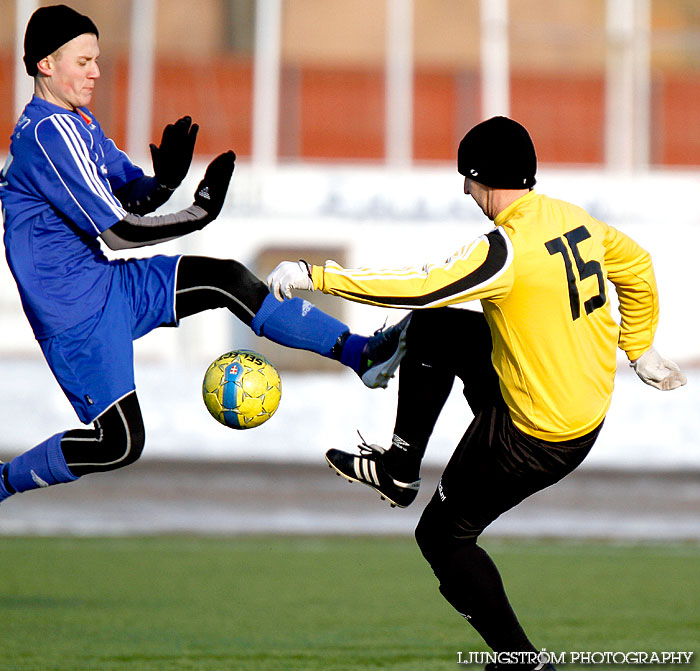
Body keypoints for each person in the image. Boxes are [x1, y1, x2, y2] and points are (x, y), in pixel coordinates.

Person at [266, 116, 686, 670]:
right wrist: (640, 347)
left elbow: (420, 283)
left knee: (442, 538)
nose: (466, 190)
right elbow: (637, 264)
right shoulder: (573, 219)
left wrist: (316, 276)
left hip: (534, 435)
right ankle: (398, 466)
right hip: (570, 406)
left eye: (468, 178)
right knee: (438, 327)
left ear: (483, 177)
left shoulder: (505, 250)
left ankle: (523, 663)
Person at [0, 4, 410, 506]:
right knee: (120, 442)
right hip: (75, 315)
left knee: (229, 280)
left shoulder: (77, 123)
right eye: (84, 61)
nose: (96, 72)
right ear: (46, 64)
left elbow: (130, 197)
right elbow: (121, 233)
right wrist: (198, 213)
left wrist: (164, 181)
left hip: (106, 284)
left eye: (97, 59)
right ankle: (1, 482)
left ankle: (360, 353)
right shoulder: (47, 133)